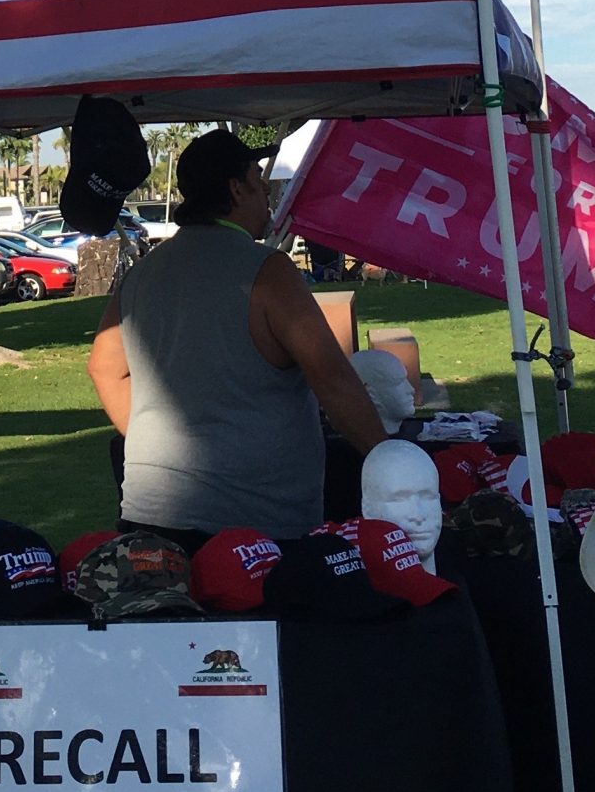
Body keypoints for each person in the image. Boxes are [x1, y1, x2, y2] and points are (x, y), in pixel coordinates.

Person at [87, 129, 386, 546]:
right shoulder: (269, 271)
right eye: (256, 178)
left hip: (150, 519)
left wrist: (155, 451)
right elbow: (332, 379)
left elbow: (104, 368)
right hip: (258, 526)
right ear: (235, 188)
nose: (266, 188)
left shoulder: (144, 270)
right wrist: (389, 459)